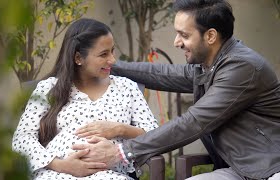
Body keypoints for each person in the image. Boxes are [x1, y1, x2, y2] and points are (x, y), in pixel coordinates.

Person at [72, 0, 280, 179]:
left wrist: (121, 151)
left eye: (184, 35)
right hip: (239, 171)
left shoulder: (242, 68)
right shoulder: (209, 65)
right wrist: (107, 64)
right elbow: (162, 73)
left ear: (210, 36)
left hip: (271, 168)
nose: (176, 42)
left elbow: (193, 122)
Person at [12, 18, 158, 180]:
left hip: (110, 175)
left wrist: (119, 129)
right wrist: (61, 165)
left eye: (112, 51)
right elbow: (22, 139)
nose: (112, 60)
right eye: (104, 54)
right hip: (55, 174)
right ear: (78, 58)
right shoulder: (49, 89)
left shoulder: (126, 88)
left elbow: (155, 136)